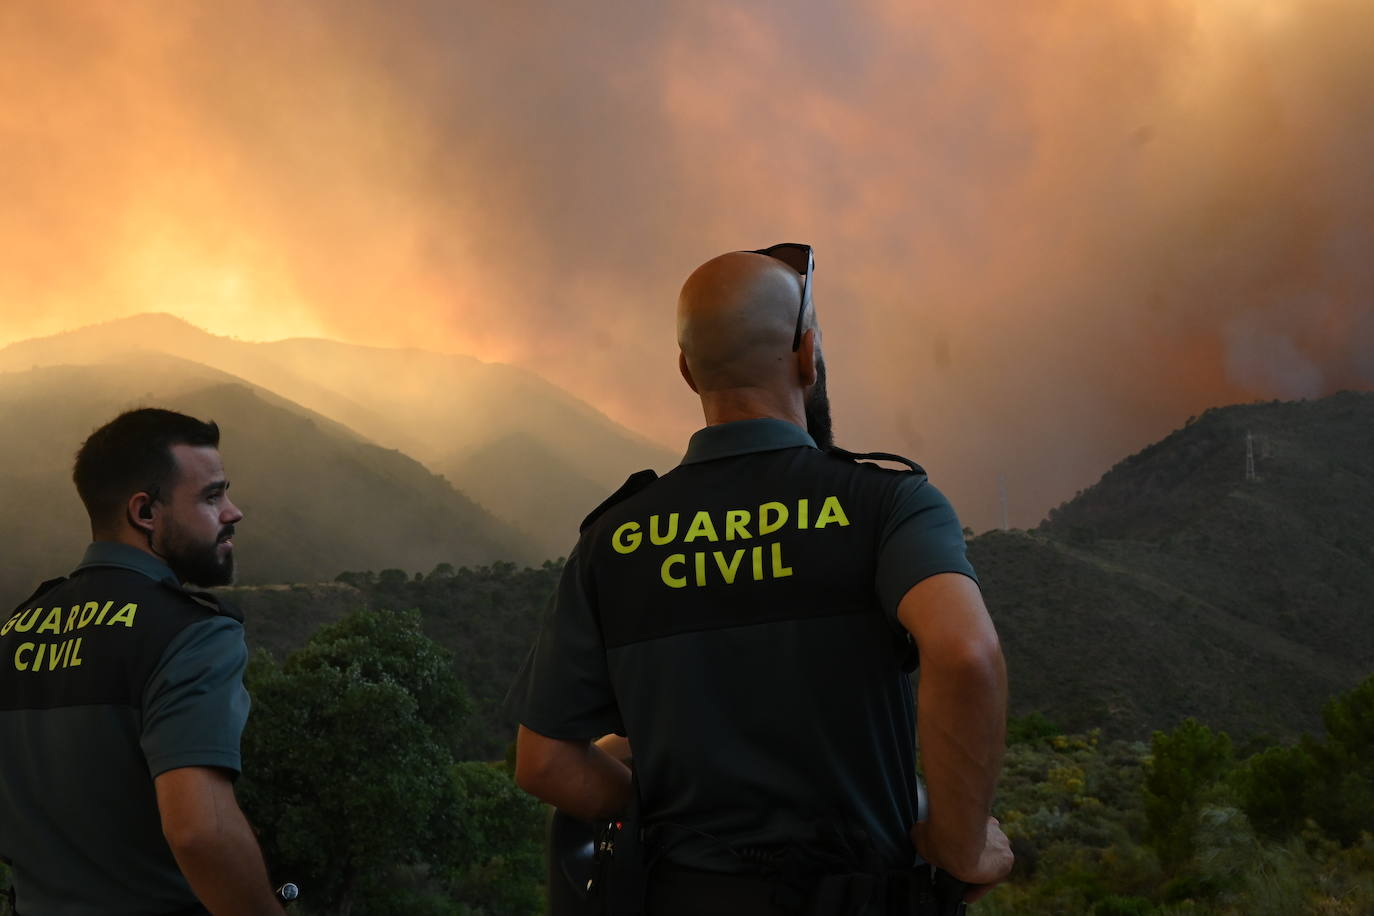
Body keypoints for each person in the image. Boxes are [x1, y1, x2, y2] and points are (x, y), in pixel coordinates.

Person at [508, 244, 1014, 914]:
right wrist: (962, 845)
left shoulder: (612, 542)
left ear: (688, 372)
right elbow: (966, 653)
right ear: (806, 355)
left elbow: (543, 762)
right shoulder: (886, 505)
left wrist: (653, 801)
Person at [0, 408, 286, 915]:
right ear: (145, 513)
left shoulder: (13, 631)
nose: (233, 512)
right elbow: (202, 831)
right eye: (212, 496)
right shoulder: (193, 635)